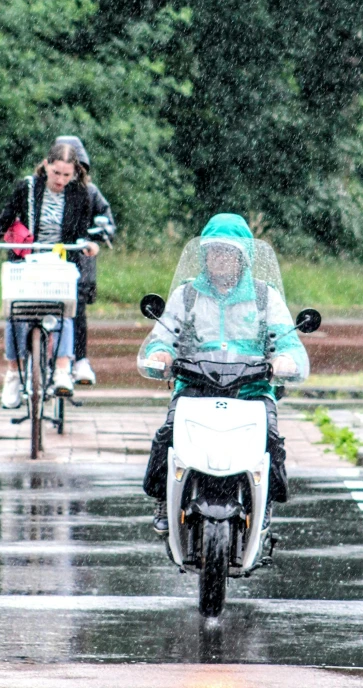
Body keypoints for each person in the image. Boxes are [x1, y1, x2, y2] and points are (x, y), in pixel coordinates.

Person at [138, 213, 310, 533]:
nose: (221, 258)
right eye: (214, 251)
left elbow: (288, 341)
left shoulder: (264, 296)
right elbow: (163, 336)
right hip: (196, 386)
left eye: (229, 252)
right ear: (204, 255)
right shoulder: (187, 294)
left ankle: (266, 501)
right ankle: (162, 496)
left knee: (271, 440)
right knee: (168, 434)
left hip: (251, 390)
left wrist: (284, 359)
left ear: (244, 257)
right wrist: (159, 353)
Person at [0, 143, 99, 408]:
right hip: (26, 262)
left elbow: (83, 229)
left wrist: (89, 243)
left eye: (67, 175)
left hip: (60, 262)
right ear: (46, 165)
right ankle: (12, 374)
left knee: (65, 311)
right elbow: (6, 217)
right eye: (56, 173)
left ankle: (62, 369)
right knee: (15, 313)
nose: (61, 180)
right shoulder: (28, 187)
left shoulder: (80, 193)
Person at [55, 136, 116, 386]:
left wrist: (100, 234)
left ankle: (80, 359)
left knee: (77, 310)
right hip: (47, 260)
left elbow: (107, 219)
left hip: (79, 262)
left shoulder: (89, 193)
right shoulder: (44, 190)